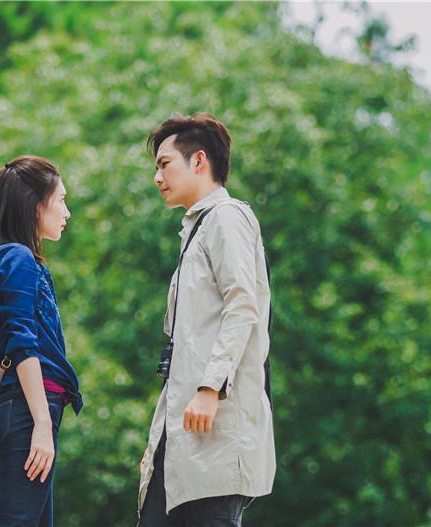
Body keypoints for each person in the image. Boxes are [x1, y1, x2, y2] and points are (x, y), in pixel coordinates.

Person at [137, 113, 276, 526]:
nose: (157, 178)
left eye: (164, 164)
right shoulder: (198, 229)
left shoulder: (227, 217)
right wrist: (158, 441)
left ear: (198, 160)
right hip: (183, 435)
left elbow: (242, 306)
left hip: (216, 432)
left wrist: (209, 388)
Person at [0, 155, 82, 527]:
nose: (67, 212)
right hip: (25, 411)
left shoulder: (3, 260)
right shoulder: (18, 259)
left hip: (17, 410)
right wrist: (41, 423)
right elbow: (22, 343)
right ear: (36, 205)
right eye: (61, 200)